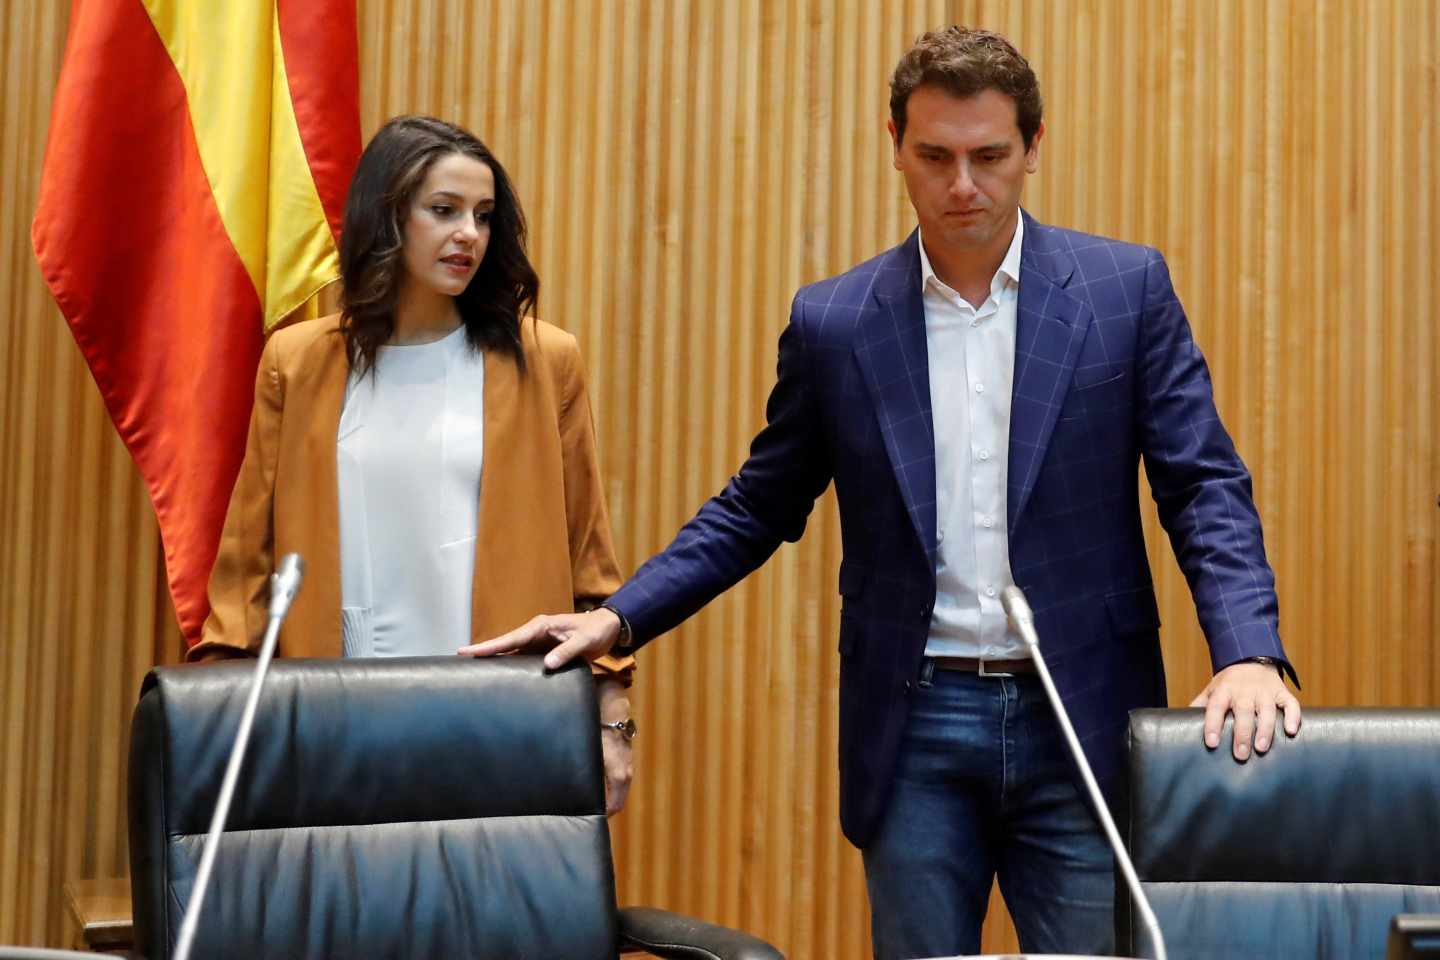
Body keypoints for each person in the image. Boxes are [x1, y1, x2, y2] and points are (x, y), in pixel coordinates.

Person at [466, 26, 1302, 958]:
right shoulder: (838, 321)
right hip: (918, 722)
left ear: (1034, 148)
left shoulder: (1123, 290)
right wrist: (619, 618)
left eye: (989, 156)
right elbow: (757, 505)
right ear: (894, 144)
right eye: (934, 156)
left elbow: (1202, 484)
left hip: (1081, 714)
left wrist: (1248, 651)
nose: (962, 187)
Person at [192, 115, 637, 815]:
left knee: (490, 920)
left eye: (484, 217)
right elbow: (247, 565)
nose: (469, 234)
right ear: (387, 217)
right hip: (335, 713)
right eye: (444, 211)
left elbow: (590, 566)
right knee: (345, 917)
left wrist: (612, 713)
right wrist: (219, 714)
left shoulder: (545, 361)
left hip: (501, 712)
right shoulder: (299, 362)